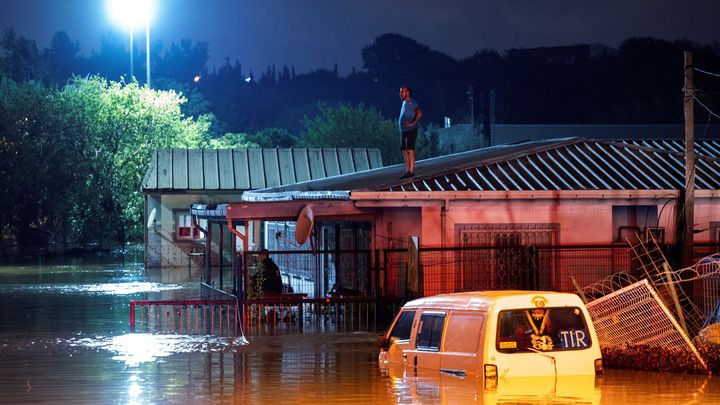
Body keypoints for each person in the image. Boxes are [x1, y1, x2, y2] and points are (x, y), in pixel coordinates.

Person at [398, 85, 423, 179]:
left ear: (407, 92)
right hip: (403, 131)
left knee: (410, 150)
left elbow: (420, 113)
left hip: (411, 130)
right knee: (404, 151)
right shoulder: (404, 102)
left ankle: (411, 171)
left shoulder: (412, 103)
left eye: (402, 91)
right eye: (400, 92)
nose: (400, 93)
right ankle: (407, 171)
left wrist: (413, 123)